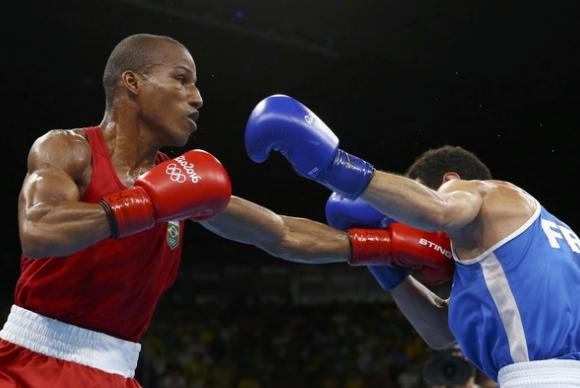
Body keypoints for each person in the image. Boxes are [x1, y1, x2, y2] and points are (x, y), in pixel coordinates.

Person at [0, 34, 453, 387]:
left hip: (115, 370)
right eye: (181, 79)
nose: (197, 97)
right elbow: (39, 229)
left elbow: (280, 234)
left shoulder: (180, 183)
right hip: (28, 364)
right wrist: (145, 204)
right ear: (132, 82)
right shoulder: (68, 150)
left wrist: (386, 247)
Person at [244, 94, 580, 386]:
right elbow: (440, 333)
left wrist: (333, 166)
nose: (405, 218)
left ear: (450, 180)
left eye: (412, 196)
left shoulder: (486, 193)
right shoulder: (534, 243)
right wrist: (383, 261)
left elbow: (437, 209)